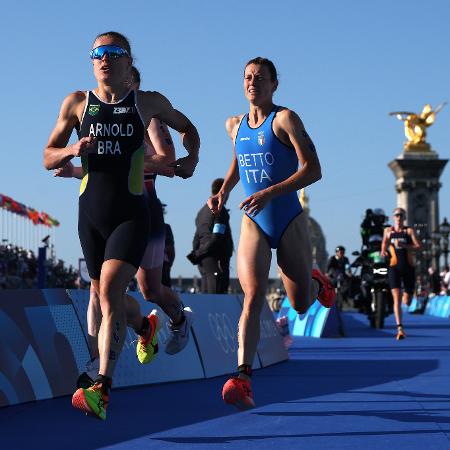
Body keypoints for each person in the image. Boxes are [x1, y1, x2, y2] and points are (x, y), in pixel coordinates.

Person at [44, 31, 200, 420]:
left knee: (113, 288)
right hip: (90, 217)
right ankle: (141, 326)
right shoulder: (77, 103)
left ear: (129, 62)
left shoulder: (148, 104)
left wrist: (191, 158)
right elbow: (47, 156)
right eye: (97, 53)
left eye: (113, 53)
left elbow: (188, 129)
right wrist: (72, 149)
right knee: (101, 294)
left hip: (133, 213)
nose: (104, 59)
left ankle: (102, 387)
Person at [208, 57, 335, 410]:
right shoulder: (234, 125)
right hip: (254, 221)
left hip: (288, 217)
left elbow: (314, 170)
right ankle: (243, 377)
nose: (253, 83)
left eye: (260, 78)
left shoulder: (285, 119)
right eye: (248, 77)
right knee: (253, 296)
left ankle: (315, 281)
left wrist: (269, 192)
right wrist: (226, 191)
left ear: (274, 84)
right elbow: (239, 156)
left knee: (299, 303)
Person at [188, 178, 234, 293]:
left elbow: (196, 238)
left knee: (206, 297)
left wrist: (197, 254)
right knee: (218, 297)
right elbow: (217, 237)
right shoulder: (219, 211)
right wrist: (200, 252)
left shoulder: (201, 211)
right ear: (223, 192)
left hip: (204, 262)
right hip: (217, 259)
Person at [381, 207, 421, 340]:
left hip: (408, 267)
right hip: (394, 267)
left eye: (401, 215)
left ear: (404, 218)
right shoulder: (388, 231)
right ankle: (400, 328)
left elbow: (418, 246)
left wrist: (405, 246)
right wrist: (384, 252)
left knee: (407, 300)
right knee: (396, 298)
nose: (399, 218)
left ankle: (408, 295)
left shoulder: (409, 231)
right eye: (397, 215)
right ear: (393, 217)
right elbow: (384, 246)